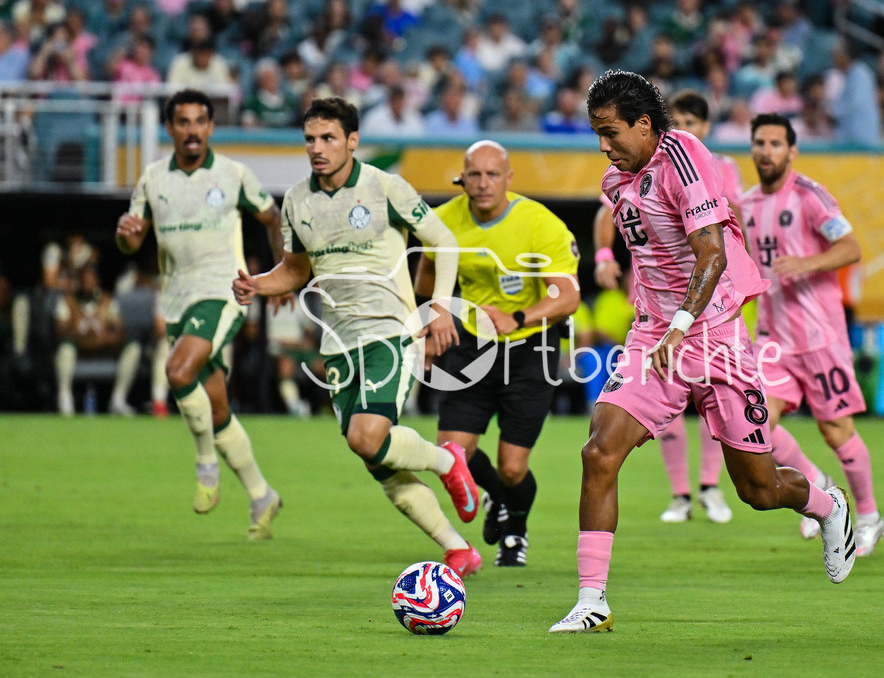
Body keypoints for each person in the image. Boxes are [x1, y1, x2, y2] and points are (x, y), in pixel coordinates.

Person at [549, 71, 855, 634]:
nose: (603, 145)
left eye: (610, 132)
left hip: (715, 336)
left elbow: (710, 254)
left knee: (758, 490)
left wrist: (679, 326)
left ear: (644, 125)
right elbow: (625, 232)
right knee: (599, 453)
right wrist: (613, 272)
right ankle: (592, 600)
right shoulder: (617, 180)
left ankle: (826, 504)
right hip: (653, 337)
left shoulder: (684, 156)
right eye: (596, 133)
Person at [230, 97, 484, 577]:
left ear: (352, 141)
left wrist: (440, 308)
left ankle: (448, 462)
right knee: (374, 458)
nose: (317, 148)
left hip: (390, 330)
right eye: (310, 139)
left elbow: (444, 241)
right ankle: (457, 548)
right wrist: (257, 284)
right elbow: (296, 269)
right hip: (338, 342)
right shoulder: (297, 202)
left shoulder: (384, 186)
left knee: (367, 436)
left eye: (328, 138)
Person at [115, 89, 284, 540]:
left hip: (223, 288)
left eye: (200, 122)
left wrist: (283, 273)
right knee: (216, 406)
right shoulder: (152, 178)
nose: (192, 130)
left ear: (211, 127)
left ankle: (205, 462)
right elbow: (132, 240)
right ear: (170, 129)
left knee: (177, 369)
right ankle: (262, 495)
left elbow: (272, 217)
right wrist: (126, 237)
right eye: (183, 122)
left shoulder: (233, 174)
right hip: (176, 295)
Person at [414, 140, 580, 567]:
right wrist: (430, 321)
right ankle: (494, 497)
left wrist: (518, 317)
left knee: (512, 467)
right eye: (475, 174)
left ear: (509, 179)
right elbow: (426, 275)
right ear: (462, 178)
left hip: (531, 346)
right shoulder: (444, 221)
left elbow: (568, 297)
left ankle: (516, 530)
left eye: (492, 174)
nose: (483, 183)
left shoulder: (540, 225)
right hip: (470, 344)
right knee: (452, 451)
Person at [740, 113, 884, 557]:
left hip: (820, 337)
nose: (766, 150)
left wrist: (806, 263)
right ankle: (819, 484)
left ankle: (868, 516)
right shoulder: (745, 205)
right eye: (759, 142)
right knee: (756, 423)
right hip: (771, 339)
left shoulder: (809, 195)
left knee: (836, 430)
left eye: (775, 143)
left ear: (792, 151)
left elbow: (851, 247)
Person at [593, 90, 740, 524]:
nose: (684, 130)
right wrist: (605, 258)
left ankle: (712, 488)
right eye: (679, 121)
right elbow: (609, 215)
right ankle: (681, 494)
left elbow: (731, 225)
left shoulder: (715, 166)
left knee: (717, 412)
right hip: (655, 312)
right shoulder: (624, 170)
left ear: (705, 128)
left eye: (693, 122)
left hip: (710, 309)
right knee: (647, 418)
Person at [52, 263, 140, 417]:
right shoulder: (68, 301)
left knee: (133, 347)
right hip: (79, 350)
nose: (87, 284)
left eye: (91, 280)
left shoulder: (106, 301)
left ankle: (118, 400)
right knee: (65, 349)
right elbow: (61, 331)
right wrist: (84, 337)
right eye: (84, 280)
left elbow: (120, 330)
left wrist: (106, 338)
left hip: (103, 349)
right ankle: (65, 399)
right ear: (78, 282)